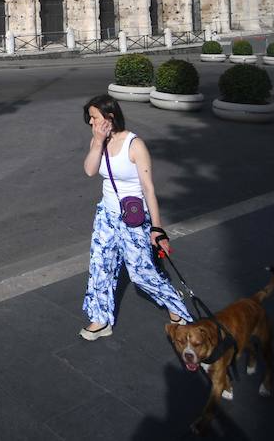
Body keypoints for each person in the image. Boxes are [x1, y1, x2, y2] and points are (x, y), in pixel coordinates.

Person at [79, 94, 193, 340]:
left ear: (109, 117)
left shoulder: (134, 145)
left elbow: (148, 188)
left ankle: (176, 307)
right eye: (89, 118)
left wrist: (157, 228)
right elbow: (89, 171)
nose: (91, 122)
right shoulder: (96, 141)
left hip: (133, 219)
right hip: (106, 216)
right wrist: (98, 142)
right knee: (100, 268)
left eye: (94, 117)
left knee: (141, 274)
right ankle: (100, 319)